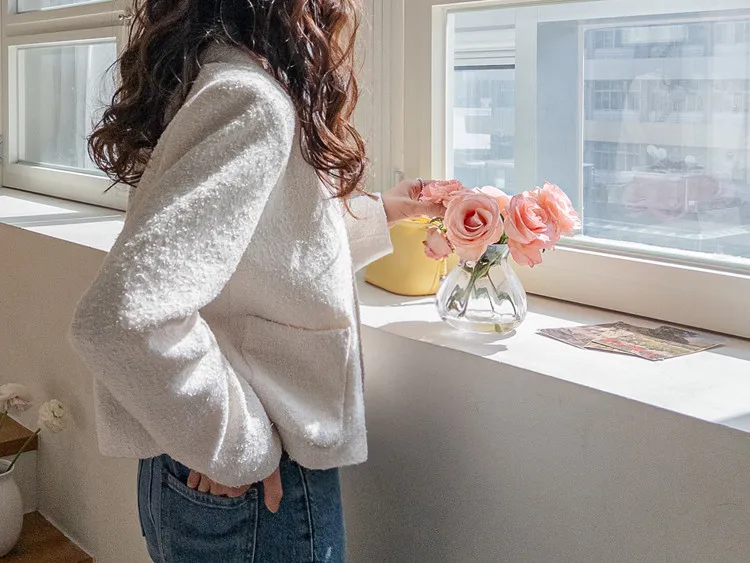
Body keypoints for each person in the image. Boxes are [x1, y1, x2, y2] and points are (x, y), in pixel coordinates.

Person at [68, 0, 444, 561]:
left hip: (207, 472)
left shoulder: (213, 80)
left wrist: (381, 213)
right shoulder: (250, 100)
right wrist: (239, 448)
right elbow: (121, 318)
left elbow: (265, 249)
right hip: (249, 485)